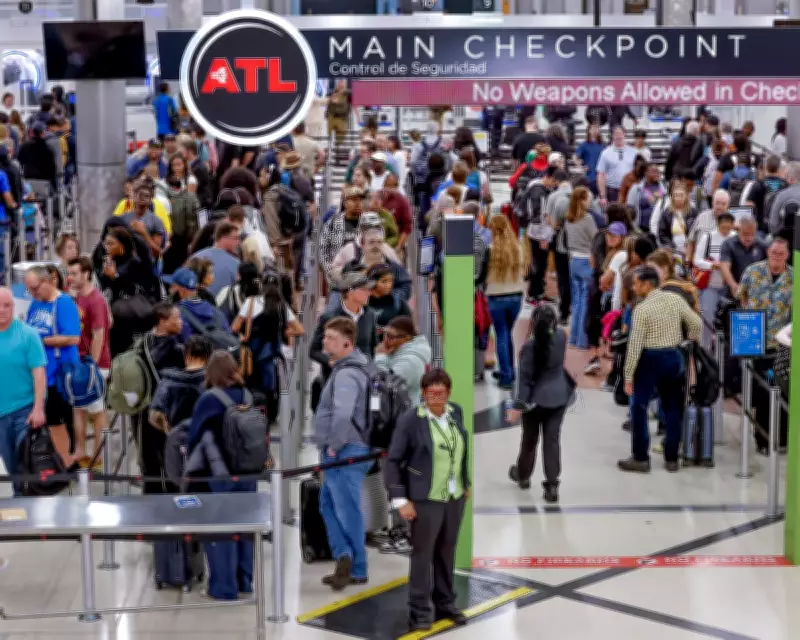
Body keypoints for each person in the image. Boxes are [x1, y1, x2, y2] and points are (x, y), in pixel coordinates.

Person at [385, 368, 470, 632]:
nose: (436, 397)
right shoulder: (412, 420)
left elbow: (459, 448)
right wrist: (401, 499)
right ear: (423, 393)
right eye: (430, 392)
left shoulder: (455, 412)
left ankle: (445, 603)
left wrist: (464, 482)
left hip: (453, 498)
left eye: (441, 392)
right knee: (423, 556)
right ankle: (420, 610)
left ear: (448, 393)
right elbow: (394, 460)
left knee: (447, 552)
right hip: (425, 498)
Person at [619, 266, 701, 474]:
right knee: (673, 407)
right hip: (674, 357)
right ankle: (672, 457)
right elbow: (696, 322)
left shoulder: (642, 309)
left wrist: (628, 375)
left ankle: (640, 458)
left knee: (639, 407)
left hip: (649, 359)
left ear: (648, 284)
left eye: (637, 283)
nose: (634, 287)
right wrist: (688, 340)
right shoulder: (675, 300)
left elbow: (635, 344)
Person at [188, 351, 256, 600]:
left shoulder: (209, 399)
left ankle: (223, 587)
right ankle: (245, 581)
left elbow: (195, 435)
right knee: (246, 529)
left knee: (221, 529)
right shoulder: (248, 395)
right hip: (249, 472)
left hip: (220, 474)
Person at [314, 317, 373, 590]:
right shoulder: (354, 367)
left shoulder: (348, 374)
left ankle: (357, 568)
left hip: (347, 448)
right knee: (327, 502)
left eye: (331, 338)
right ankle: (344, 556)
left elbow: (342, 414)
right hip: (349, 446)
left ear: (347, 343)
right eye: (325, 336)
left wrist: (334, 446)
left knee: (347, 508)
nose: (325, 341)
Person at [505, 304, 574, 501]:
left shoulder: (529, 347)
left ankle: (523, 475)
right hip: (559, 396)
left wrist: (518, 406)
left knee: (529, 440)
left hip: (535, 401)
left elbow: (524, 381)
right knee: (552, 441)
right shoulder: (561, 336)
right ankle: (552, 486)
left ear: (533, 323)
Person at [24, 265, 81, 465]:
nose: (33, 293)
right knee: (49, 421)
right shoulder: (35, 304)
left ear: (48, 281)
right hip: (41, 374)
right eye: (29, 289)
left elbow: (73, 338)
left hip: (59, 373)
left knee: (59, 422)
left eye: (35, 288)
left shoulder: (64, 303)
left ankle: (66, 463)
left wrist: (41, 341)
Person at [66, 257, 111, 466]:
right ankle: (80, 451)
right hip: (79, 361)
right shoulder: (77, 298)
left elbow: (99, 334)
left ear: (86, 274)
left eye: (74, 273)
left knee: (96, 410)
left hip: (95, 364)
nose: (70, 277)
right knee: (78, 408)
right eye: (69, 273)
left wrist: (91, 364)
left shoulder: (96, 300)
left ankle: (99, 454)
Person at [0, 287, 47, 482]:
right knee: (11, 466)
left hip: (24, 413)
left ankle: (26, 502)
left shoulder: (28, 335)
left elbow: (39, 374)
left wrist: (38, 409)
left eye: (7, 305)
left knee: (26, 465)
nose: (2, 310)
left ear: (13, 307)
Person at [310, 271, 379, 385]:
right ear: (351, 291)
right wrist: (331, 362)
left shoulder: (370, 315)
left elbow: (372, 348)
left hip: (362, 379)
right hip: (336, 379)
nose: (369, 293)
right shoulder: (330, 317)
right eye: (364, 289)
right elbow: (314, 351)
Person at [482, 215, 526, 389]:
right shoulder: (519, 248)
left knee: (501, 334)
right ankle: (510, 370)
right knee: (508, 333)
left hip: (496, 297)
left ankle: (506, 376)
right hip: (516, 296)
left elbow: (482, 276)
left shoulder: (490, 250)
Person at [738, 239, 793, 354]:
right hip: (753, 336)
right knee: (749, 370)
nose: (776, 256)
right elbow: (741, 295)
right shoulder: (752, 270)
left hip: (780, 339)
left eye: (781, 253)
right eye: (773, 252)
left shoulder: (795, 276)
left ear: (788, 255)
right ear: (768, 252)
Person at [149, 335, 212, 435]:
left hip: (177, 441)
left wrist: (170, 432)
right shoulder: (214, 380)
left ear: (186, 356)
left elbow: (154, 416)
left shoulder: (167, 381)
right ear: (208, 357)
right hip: (206, 440)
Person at [693, 212, 737, 347]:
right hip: (710, 285)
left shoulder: (735, 238)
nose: (725, 231)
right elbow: (697, 260)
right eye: (723, 228)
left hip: (728, 287)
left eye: (728, 228)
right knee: (707, 317)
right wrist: (713, 265)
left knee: (727, 320)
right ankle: (705, 349)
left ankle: (724, 350)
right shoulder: (708, 237)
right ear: (718, 225)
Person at [564, 187, 598, 350]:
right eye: (588, 198)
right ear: (582, 200)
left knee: (576, 301)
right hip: (586, 261)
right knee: (585, 301)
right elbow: (596, 239)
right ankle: (582, 340)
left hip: (573, 260)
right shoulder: (588, 219)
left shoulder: (568, 219)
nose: (590, 201)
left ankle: (573, 338)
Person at [375, 316, 432, 404]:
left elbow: (385, 386)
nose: (385, 340)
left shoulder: (410, 362)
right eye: (385, 334)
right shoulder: (398, 352)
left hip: (403, 414)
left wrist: (380, 357)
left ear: (406, 338)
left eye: (390, 336)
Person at [167, 267, 231, 344]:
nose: (170, 290)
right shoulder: (217, 312)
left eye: (172, 286)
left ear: (180, 289)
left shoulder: (177, 315)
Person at [719, 215, 767, 298]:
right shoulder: (728, 244)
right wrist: (733, 285)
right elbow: (724, 267)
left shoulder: (762, 245)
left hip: (756, 292)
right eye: (745, 234)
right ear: (738, 230)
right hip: (733, 291)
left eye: (752, 234)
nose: (748, 238)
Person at [189, 221, 241, 297]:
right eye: (236, 238)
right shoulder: (236, 264)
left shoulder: (195, 258)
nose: (238, 242)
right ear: (224, 238)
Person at [597, 126, 637, 206]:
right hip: (612, 191)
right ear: (612, 135)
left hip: (630, 190)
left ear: (624, 134)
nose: (618, 136)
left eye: (620, 133)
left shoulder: (634, 152)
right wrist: (602, 196)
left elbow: (639, 173)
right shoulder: (605, 153)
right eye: (616, 134)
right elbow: (601, 175)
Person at [745, 155, 788, 231]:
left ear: (765, 167)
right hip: (779, 229)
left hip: (761, 228)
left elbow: (749, 206)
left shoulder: (758, 184)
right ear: (779, 168)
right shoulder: (785, 185)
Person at [657, 182, 697, 258]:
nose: (678, 198)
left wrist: (690, 246)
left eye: (681, 195)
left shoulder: (693, 212)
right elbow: (662, 233)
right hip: (672, 249)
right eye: (676, 195)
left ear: (686, 196)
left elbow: (698, 231)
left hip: (690, 249)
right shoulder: (666, 213)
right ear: (672, 197)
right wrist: (671, 247)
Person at [367, 263, 412, 330]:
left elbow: (409, 330)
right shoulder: (363, 303)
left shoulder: (398, 303)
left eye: (391, 281)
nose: (389, 285)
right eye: (384, 281)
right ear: (372, 282)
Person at [626, 162, 666, 231]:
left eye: (658, 172)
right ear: (645, 173)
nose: (657, 174)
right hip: (642, 228)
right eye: (654, 171)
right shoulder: (636, 188)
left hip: (660, 227)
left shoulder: (664, 188)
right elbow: (630, 209)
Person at [575, 123, 603, 193]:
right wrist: (581, 167)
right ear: (589, 130)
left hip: (601, 177)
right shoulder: (584, 145)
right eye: (593, 128)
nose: (595, 130)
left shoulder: (603, 145)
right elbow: (575, 157)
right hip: (590, 177)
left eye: (597, 128)